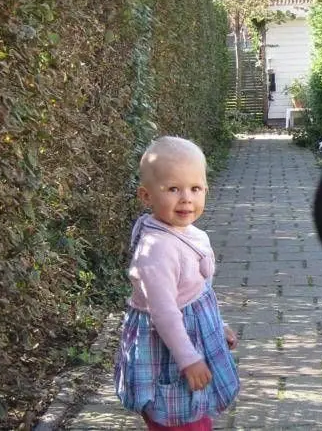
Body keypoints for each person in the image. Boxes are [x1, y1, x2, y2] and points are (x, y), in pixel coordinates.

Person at [114, 136, 239, 430]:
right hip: (168, 351)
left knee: (195, 411)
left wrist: (217, 326)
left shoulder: (190, 233)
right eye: (173, 189)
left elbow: (198, 290)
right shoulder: (157, 249)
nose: (186, 198)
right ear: (146, 196)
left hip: (193, 334)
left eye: (195, 188)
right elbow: (164, 313)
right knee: (177, 416)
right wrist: (188, 359)